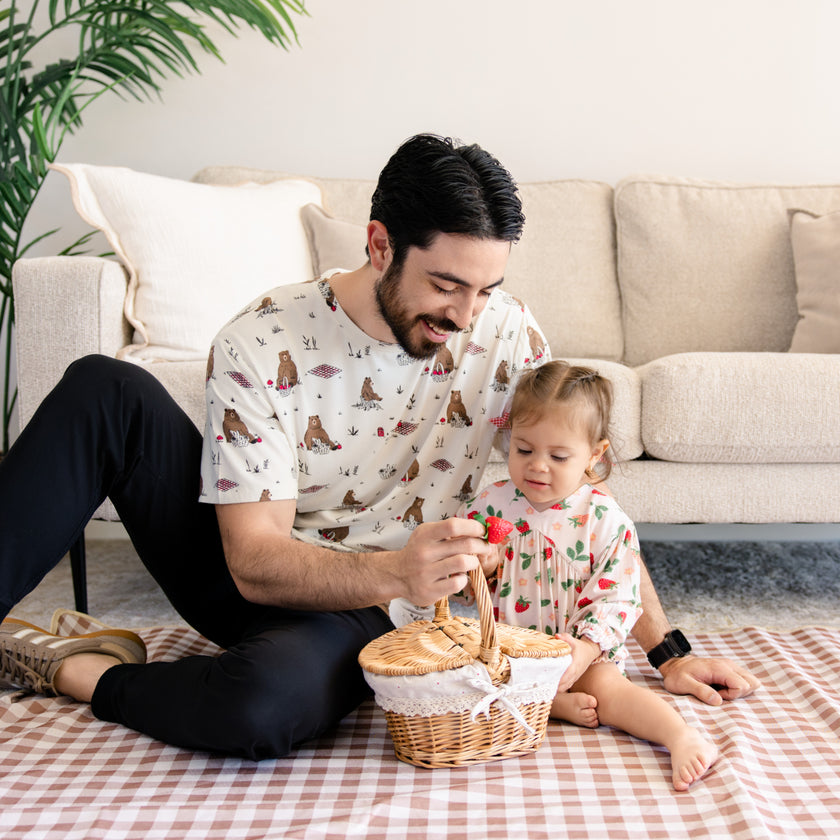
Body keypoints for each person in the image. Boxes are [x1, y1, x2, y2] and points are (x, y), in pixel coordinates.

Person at [0, 134, 758, 759]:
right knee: (105, 389)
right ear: (379, 244)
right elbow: (252, 562)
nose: (466, 314)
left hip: (380, 616)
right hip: (259, 571)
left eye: (486, 290)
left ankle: (78, 668)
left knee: (258, 710)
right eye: (446, 285)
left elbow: (584, 505)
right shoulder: (261, 340)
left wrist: (668, 651)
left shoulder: (505, 334)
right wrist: (396, 567)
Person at [452, 361, 717, 790]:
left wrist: (586, 647)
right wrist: (480, 568)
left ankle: (679, 736)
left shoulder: (603, 518)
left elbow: (619, 596)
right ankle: (552, 704)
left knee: (610, 693)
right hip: (509, 649)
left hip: (580, 651)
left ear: (594, 454)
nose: (538, 467)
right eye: (523, 450)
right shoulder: (491, 505)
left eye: (558, 457)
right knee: (462, 680)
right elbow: (468, 582)